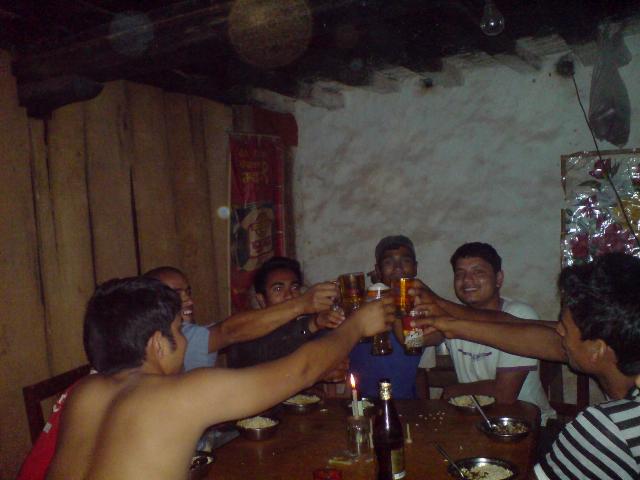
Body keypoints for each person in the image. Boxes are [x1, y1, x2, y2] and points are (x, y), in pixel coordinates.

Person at [47, 276, 395, 480]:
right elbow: (303, 370)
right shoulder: (179, 394)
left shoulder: (85, 392)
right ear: (157, 344)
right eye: (179, 330)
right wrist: (357, 326)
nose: (186, 341)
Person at [411, 252, 640, 480]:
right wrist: (444, 316)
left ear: (597, 348)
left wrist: (447, 320)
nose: (557, 331)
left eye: (564, 328)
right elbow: (521, 327)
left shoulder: (605, 430)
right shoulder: (618, 352)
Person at [422, 243, 555, 424]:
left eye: (478, 272)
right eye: (460, 273)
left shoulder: (519, 314)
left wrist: (453, 391)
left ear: (498, 279)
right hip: (476, 421)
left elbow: (505, 394)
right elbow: (414, 342)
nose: (467, 280)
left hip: (528, 424)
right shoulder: (451, 317)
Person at [145, 265, 339, 371]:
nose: (188, 300)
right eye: (175, 294)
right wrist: (303, 307)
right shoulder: (181, 336)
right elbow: (230, 332)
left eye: (188, 292)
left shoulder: (191, 332)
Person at [349, 235, 432, 399]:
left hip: (405, 404)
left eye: (405, 261)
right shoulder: (359, 308)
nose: (398, 268)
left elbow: (419, 368)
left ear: (415, 268)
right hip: (362, 404)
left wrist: (423, 408)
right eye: (388, 262)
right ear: (378, 270)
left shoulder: (425, 311)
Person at [227, 256, 345, 368]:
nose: (289, 295)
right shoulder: (246, 334)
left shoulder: (310, 323)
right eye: (278, 289)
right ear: (261, 300)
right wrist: (314, 324)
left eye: (294, 288)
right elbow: (273, 349)